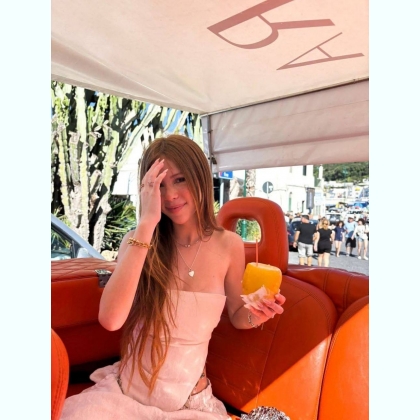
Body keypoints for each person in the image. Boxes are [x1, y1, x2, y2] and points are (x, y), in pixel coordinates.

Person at [60, 135, 286, 420]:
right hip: (125, 395)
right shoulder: (137, 241)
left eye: (179, 180)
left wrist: (257, 314)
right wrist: (146, 224)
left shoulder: (229, 245)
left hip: (190, 404)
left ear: (200, 177)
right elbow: (111, 319)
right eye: (159, 185)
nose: (169, 196)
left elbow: (238, 315)